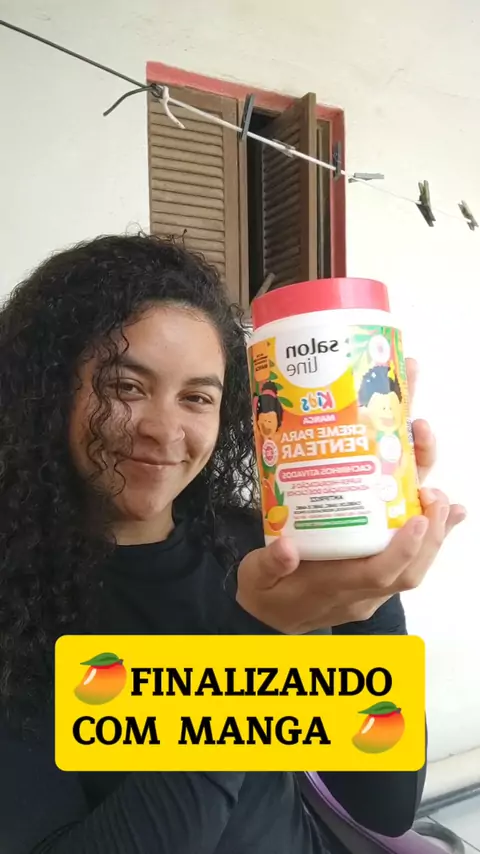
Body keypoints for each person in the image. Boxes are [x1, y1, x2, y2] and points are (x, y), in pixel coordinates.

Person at [0, 234, 465, 854]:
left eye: (197, 397)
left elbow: (382, 804)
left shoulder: (256, 552)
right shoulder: (17, 604)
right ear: (48, 389)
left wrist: (367, 589)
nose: (165, 430)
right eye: (126, 386)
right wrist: (253, 643)